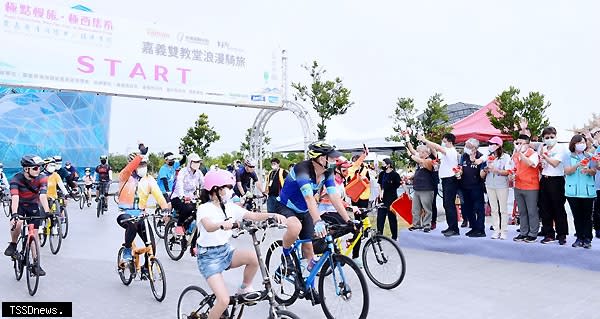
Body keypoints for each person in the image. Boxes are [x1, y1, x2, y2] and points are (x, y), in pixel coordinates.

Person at [191, 169, 286, 319]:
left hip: (225, 251)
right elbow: (208, 226)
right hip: (208, 258)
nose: (230, 190)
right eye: (227, 187)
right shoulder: (204, 208)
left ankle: (245, 288)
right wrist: (222, 224)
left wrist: (273, 215)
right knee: (223, 301)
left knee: (254, 258)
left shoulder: (229, 206)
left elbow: (253, 215)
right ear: (216, 189)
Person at [275, 142, 353, 278]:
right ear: (322, 158)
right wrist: (317, 221)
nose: (336, 161)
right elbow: (309, 198)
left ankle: (308, 287)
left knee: (309, 248)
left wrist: (348, 220)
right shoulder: (302, 170)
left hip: (304, 210)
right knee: (295, 227)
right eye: (332, 158)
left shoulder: (327, 172)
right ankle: (286, 256)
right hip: (286, 206)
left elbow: (334, 197)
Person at [116, 143, 170, 261]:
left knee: (151, 244)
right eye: (140, 164)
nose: (143, 167)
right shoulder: (124, 176)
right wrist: (141, 155)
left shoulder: (149, 179)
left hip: (141, 215)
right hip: (125, 214)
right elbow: (129, 168)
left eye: (145, 164)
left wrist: (165, 208)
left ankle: (147, 268)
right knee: (132, 226)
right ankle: (127, 249)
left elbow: (158, 195)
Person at [4, 155, 51, 276]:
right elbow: (15, 197)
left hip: (33, 206)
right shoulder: (16, 179)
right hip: (19, 205)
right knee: (18, 222)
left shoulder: (42, 178)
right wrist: (14, 214)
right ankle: (13, 244)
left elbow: (42, 196)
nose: (38, 170)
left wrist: (47, 211)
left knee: (34, 235)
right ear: (26, 169)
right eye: (35, 168)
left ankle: (36, 264)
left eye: (40, 167)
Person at [318, 156, 363, 267]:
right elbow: (335, 198)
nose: (347, 172)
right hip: (325, 212)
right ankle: (330, 247)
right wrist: (349, 207)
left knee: (357, 226)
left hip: (336, 211)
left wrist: (364, 155)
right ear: (337, 170)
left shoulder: (341, 180)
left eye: (347, 169)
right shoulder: (330, 181)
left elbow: (355, 165)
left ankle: (355, 256)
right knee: (347, 225)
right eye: (344, 170)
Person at [419, 133, 460, 237]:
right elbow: (435, 150)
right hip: (446, 180)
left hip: (451, 179)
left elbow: (438, 147)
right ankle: (451, 226)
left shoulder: (451, 151)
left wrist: (425, 140)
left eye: (445, 141)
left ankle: (454, 229)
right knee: (447, 205)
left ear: (450, 142)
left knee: (449, 204)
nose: (443, 143)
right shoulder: (445, 152)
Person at [563, 135, 596, 249]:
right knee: (577, 216)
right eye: (579, 142)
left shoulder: (590, 156)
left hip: (587, 191)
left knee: (587, 216)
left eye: (583, 142)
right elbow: (567, 171)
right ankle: (579, 237)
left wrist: (588, 170)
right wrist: (578, 165)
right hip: (573, 191)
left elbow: (594, 172)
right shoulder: (567, 156)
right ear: (573, 144)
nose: (581, 144)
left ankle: (587, 238)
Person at [537, 127, 568, 245]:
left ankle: (562, 234)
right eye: (547, 137)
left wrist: (544, 156)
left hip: (557, 180)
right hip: (545, 179)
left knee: (558, 208)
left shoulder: (560, 148)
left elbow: (555, 163)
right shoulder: (543, 147)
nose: (549, 139)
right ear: (543, 138)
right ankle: (549, 233)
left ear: (555, 136)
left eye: (552, 137)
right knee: (545, 208)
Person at [481, 136, 512, 240]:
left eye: (492, 144)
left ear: (499, 145)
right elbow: (483, 172)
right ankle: (496, 230)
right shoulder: (488, 157)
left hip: (502, 185)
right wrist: (486, 169)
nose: (490, 146)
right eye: (489, 144)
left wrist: (496, 170)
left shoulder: (506, 157)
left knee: (503, 209)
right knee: (493, 209)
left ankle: (503, 231)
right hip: (490, 184)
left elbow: (508, 171)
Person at [512, 134, 541, 243]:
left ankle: (533, 233)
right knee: (522, 211)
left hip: (531, 186)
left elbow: (531, 164)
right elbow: (512, 167)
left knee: (532, 211)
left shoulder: (533, 154)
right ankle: (523, 232)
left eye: (521, 143)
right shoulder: (516, 155)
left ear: (527, 144)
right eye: (517, 143)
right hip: (518, 186)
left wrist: (519, 153)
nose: (519, 145)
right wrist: (512, 174)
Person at [458, 138, 487, 237]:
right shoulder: (464, 156)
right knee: (468, 209)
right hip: (465, 186)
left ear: (474, 147)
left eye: (467, 145)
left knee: (479, 209)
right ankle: (473, 227)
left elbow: (482, 174)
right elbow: (461, 167)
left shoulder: (481, 157)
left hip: (477, 187)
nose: (465, 147)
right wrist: (458, 172)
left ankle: (480, 229)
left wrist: (484, 171)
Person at [171, 153, 205, 236]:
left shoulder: (199, 173)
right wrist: (183, 196)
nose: (197, 164)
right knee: (188, 207)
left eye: (198, 162)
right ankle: (179, 225)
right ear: (190, 162)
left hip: (192, 198)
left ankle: (192, 245)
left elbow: (204, 184)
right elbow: (179, 184)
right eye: (195, 162)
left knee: (200, 210)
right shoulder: (183, 172)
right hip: (178, 197)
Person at [406, 142, 435, 232]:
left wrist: (411, 156)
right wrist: (410, 177)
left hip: (426, 188)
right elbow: (413, 152)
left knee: (427, 208)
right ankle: (416, 224)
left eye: (420, 152)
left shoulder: (429, 160)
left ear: (425, 152)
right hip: (417, 188)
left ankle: (427, 225)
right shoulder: (420, 163)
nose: (418, 153)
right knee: (415, 208)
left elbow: (421, 161)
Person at [377, 158, 401, 239]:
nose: (382, 165)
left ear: (388, 165)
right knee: (380, 217)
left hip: (392, 198)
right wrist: (380, 193)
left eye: (384, 164)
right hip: (382, 198)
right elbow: (379, 185)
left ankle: (394, 236)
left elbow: (399, 184)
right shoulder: (381, 174)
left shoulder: (395, 175)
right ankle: (379, 235)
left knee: (392, 218)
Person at [591, 127, 600, 239]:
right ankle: (598, 229)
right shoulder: (597, 149)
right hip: (598, 185)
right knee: (597, 209)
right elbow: (596, 166)